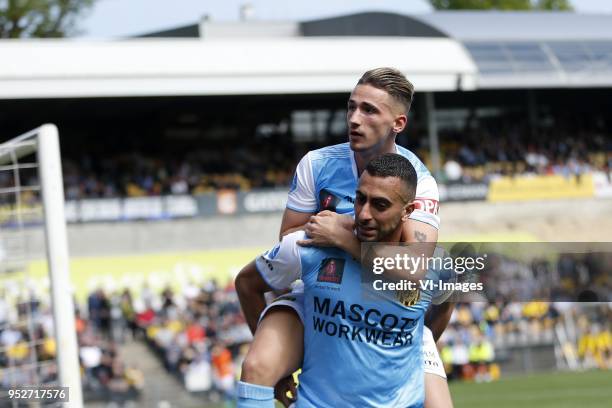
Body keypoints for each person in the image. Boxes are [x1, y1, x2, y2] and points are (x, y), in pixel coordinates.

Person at [235, 68, 454, 407]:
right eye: (351, 107)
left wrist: (343, 231)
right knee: (258, 365)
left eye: (369, 110)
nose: (354, 118)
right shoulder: (316, 164)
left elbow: (414, 267)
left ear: (398, 123)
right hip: (320, 293)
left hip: (389, 301)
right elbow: (292, 240)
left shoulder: (420, 181)